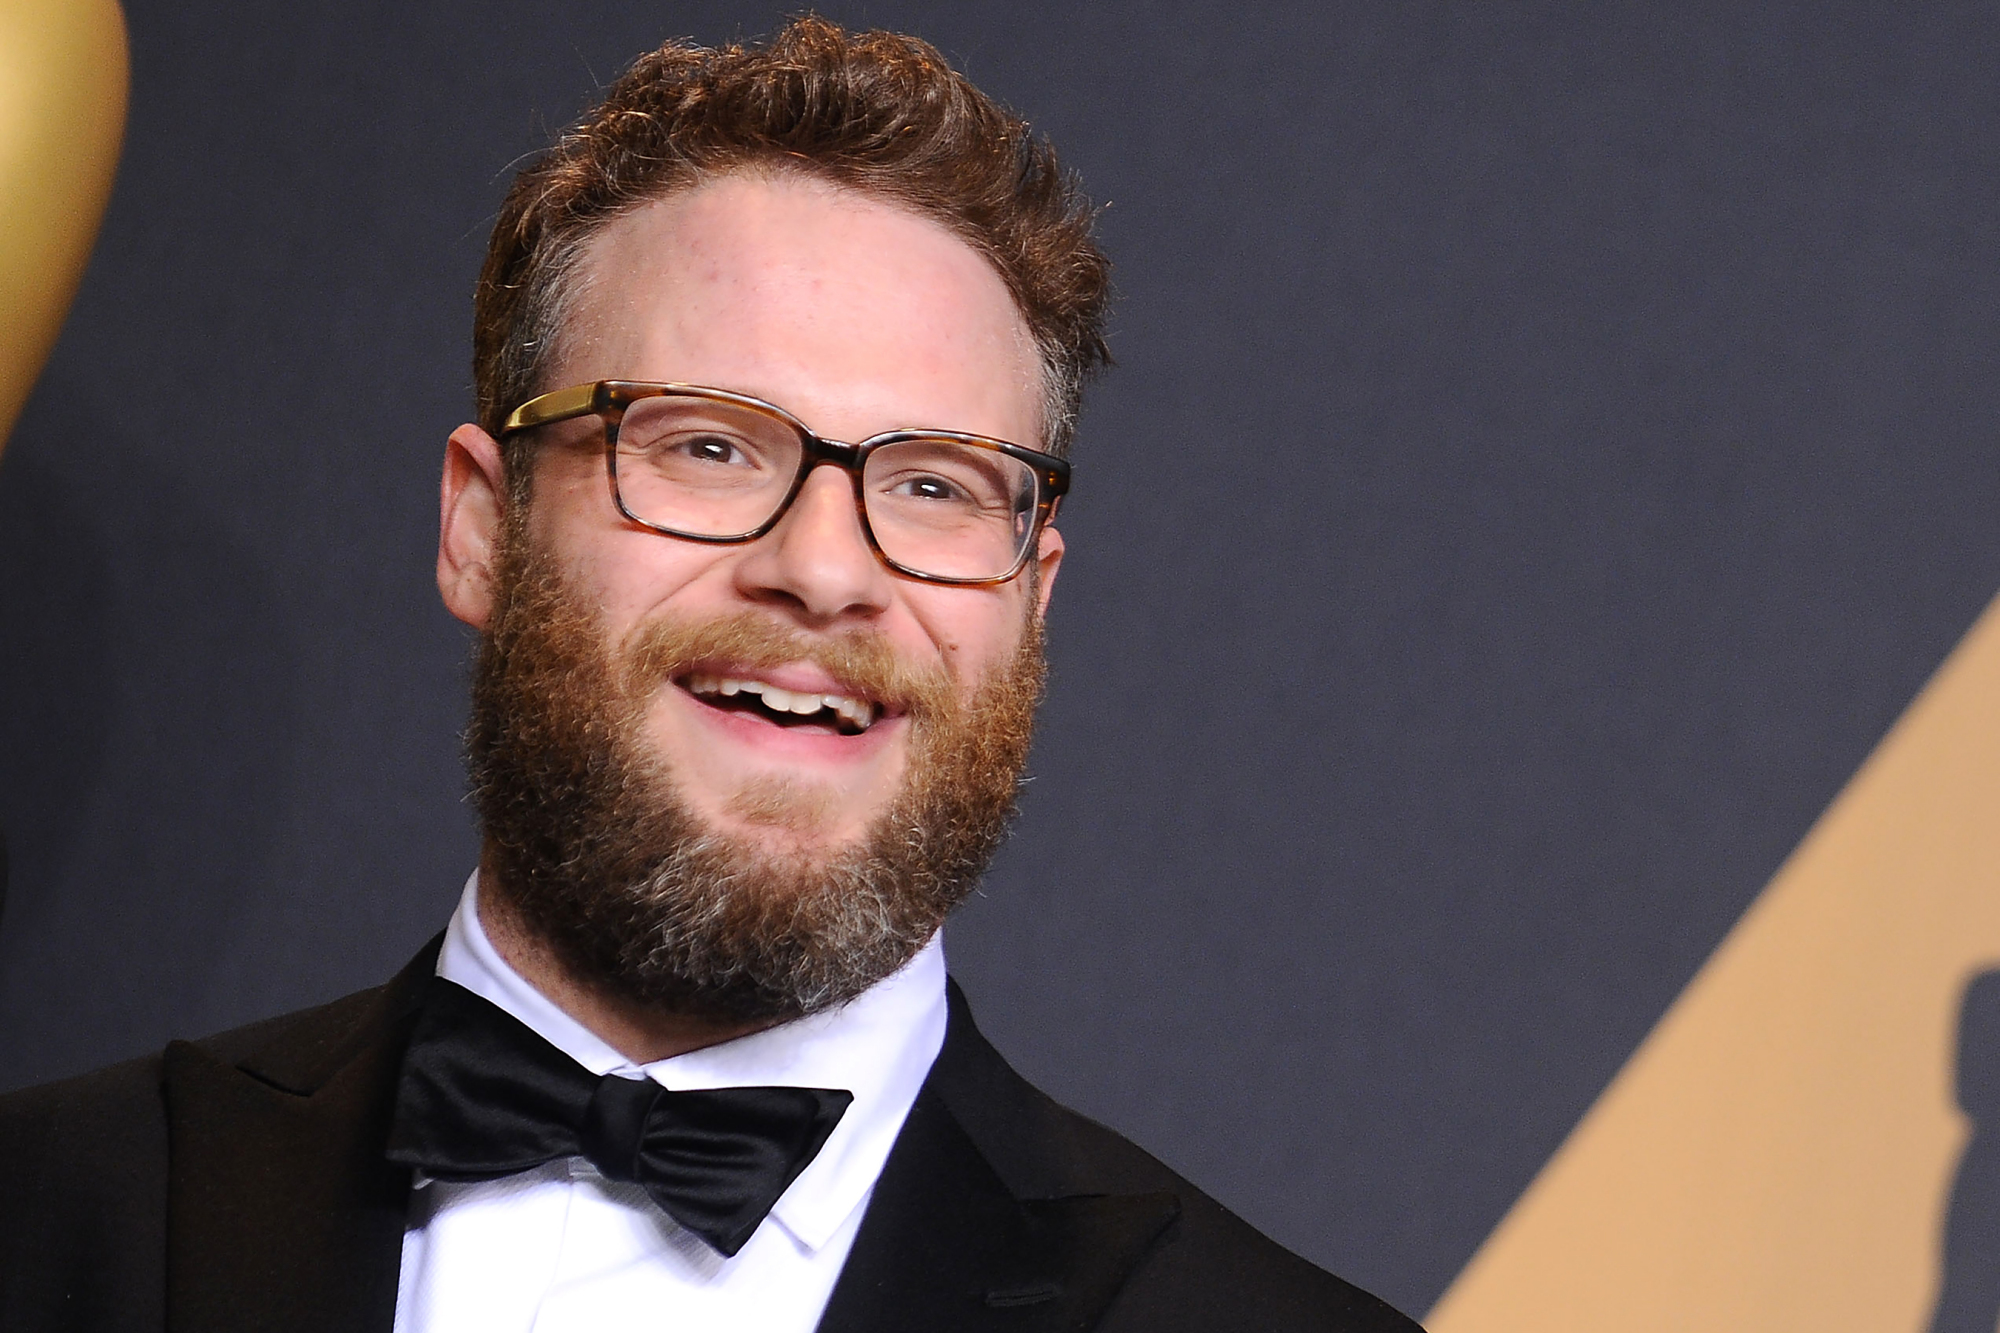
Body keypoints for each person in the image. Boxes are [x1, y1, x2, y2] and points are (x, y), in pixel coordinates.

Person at [0, 19, 1421, 1333]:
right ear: (482, 528)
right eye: (709, 446)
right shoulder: (40, 1214)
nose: (825, 567)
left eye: (934, 484)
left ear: (1033, 598)